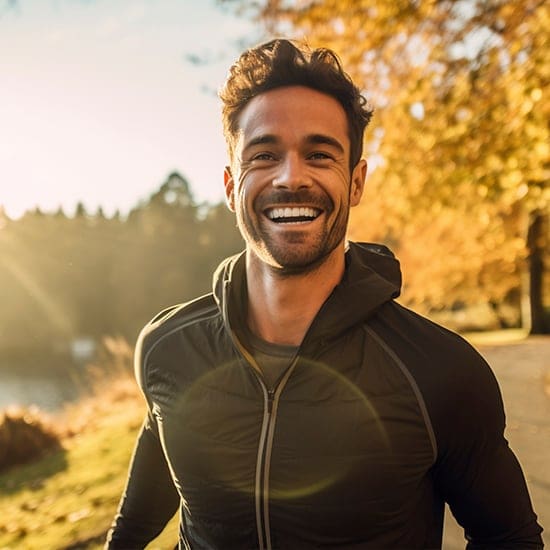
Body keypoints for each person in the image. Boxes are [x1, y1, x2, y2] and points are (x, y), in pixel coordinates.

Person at [106, 39, 543, 549]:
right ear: (230, 186)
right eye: (264, 155)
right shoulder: (167, 348)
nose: (291, 177)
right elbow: (139, 520)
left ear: (356, 183)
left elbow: (509, 538)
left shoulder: (441, 374)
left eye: (319, 154)